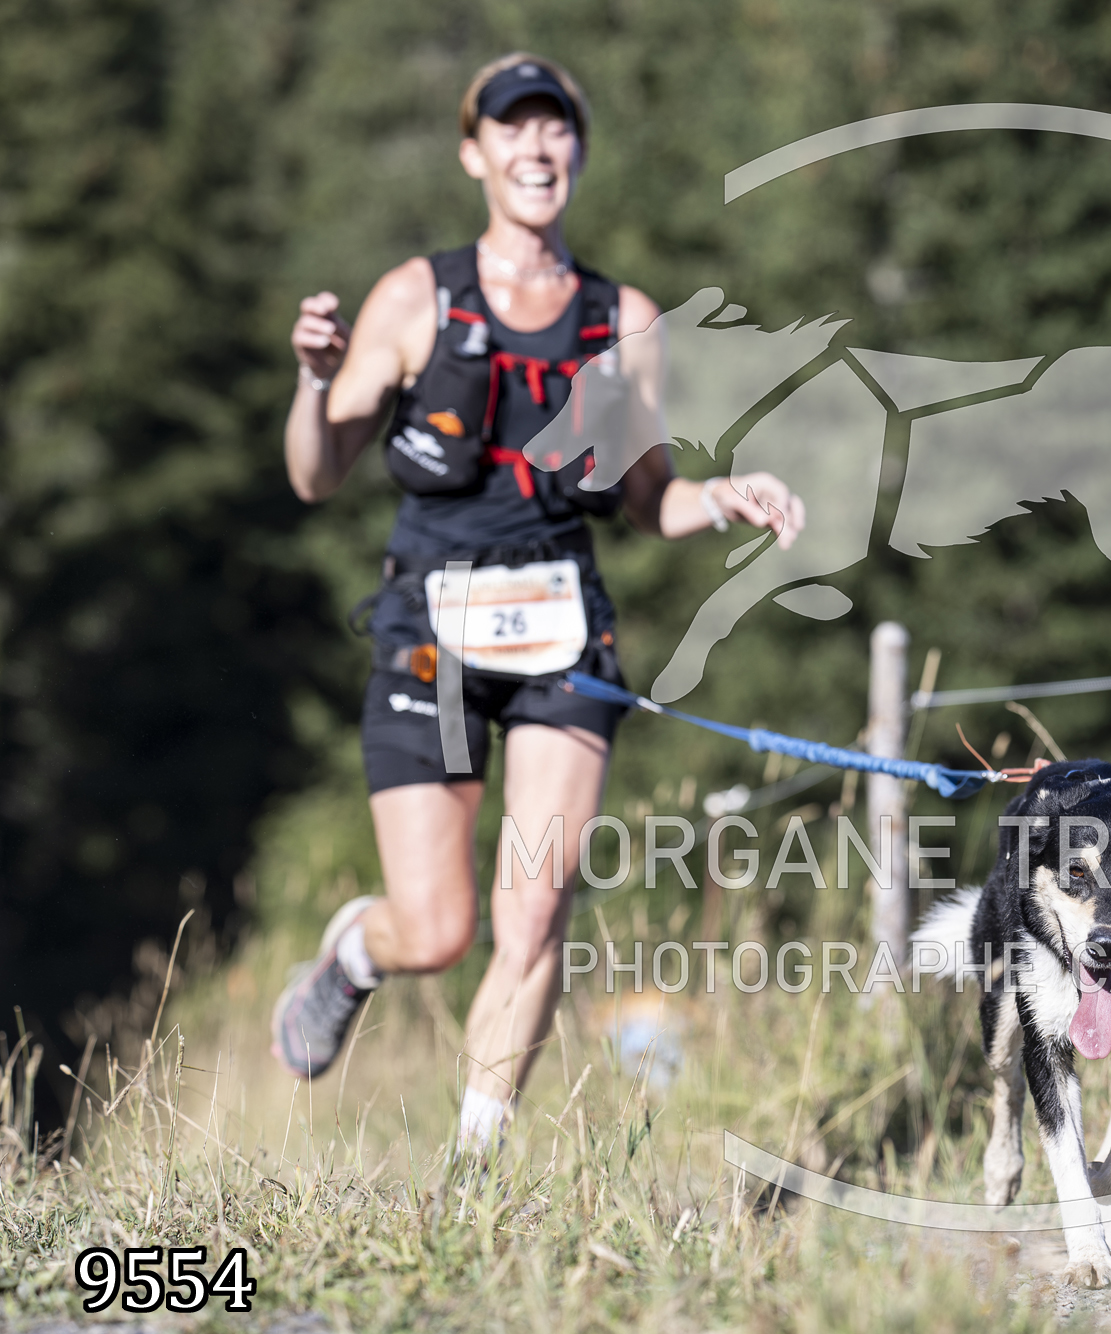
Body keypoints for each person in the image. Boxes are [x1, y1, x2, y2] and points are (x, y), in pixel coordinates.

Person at [273, 53, 804, 1150]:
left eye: (554, 127)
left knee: (535, 909)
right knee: (437, 929)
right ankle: (358, 952)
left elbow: (652, 500)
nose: (535, 147)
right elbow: (315, 474)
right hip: (432, 638)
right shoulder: (417, 298)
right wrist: (317, 379)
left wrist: (725, 495)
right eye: (510, 128)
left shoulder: (623, 317)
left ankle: (474, 1170)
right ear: (474, 154)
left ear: (579, 151)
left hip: (565, 637)